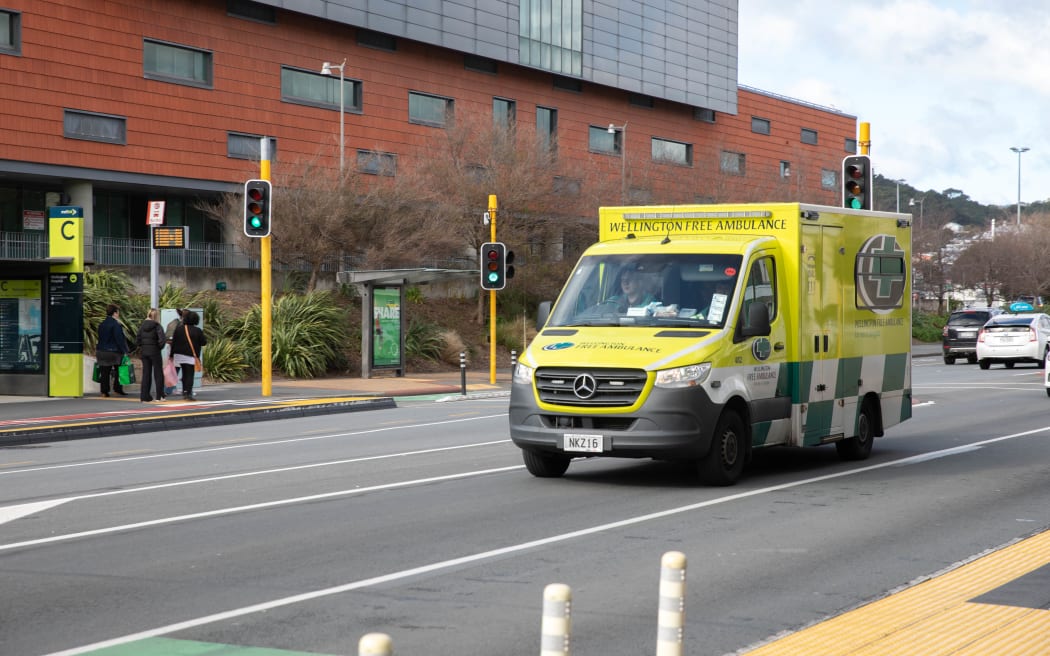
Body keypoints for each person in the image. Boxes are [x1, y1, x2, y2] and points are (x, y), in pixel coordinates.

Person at [169, 309, 207, 400]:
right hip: (190, 355)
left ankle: (184, 391)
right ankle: (187, 393)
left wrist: (171, 355)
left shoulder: (179, 329)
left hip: (178, 355)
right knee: (189, 374)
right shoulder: (197, 330)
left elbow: (174, 343)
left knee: (183, 373)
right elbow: (203, 342)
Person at [96, 304, 129, 397]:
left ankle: (104, 391)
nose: (118, 314)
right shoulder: (116, 325)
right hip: (113, 352)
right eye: (118, 312)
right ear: (115, 313)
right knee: (120, 370)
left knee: (104, 372)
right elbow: (119, 339)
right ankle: (117, 389)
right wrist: (125, 351)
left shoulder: (101, 324)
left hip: (101, 351)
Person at [136, 308, 167, 402]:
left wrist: (143, 346)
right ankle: (159, 396)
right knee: (158, 373)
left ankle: (144, 396)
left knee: (146, 373)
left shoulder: (142, 326)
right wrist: (158, 347)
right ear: (156, 316)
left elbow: (137, 340)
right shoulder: (157, 326)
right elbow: (162, 340)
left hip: (144, 352)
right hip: (155, 352)